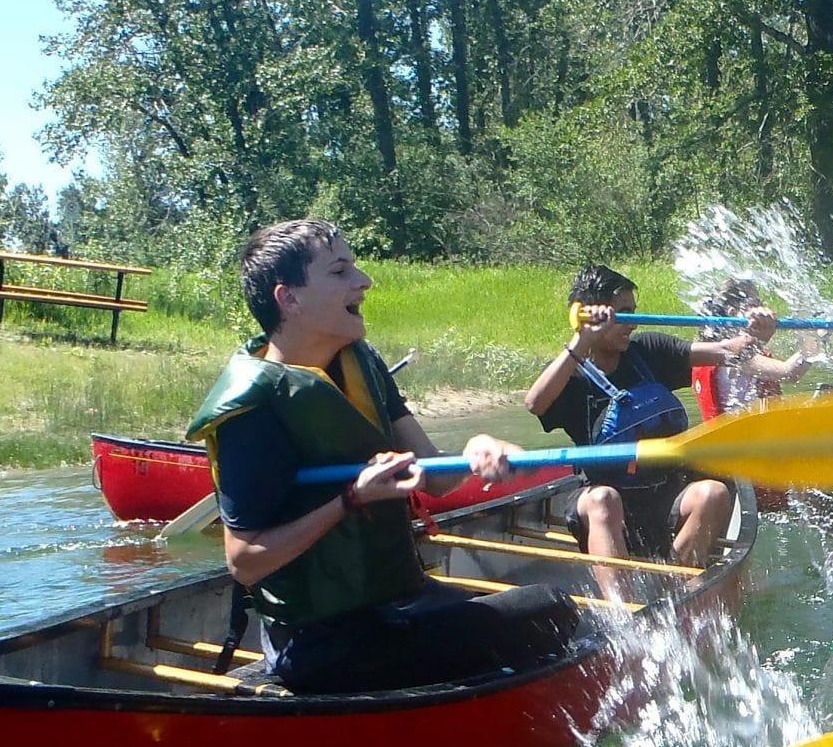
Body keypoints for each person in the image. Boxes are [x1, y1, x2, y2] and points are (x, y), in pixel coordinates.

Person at [187, 219, 580, 696]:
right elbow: (245, 561)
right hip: (320, 641)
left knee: (551, 616)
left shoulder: (362, 363)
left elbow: (433, 477)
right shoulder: (252, 410)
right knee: (550, 608)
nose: (364, 281)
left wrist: (476, 448)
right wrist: (350, 501)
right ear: (288, 298)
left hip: (398, 603)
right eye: (339, 272)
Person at [524, 265, 776, 574]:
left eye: (634, 311)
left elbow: (726, 350)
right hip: (603, 502)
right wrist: (581, 341)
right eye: (623, 313)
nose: (632, 322)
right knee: (604, 499)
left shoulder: (649, 351)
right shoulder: (571, 374)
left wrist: (754, 335)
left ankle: (675, 589)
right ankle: (624, 615)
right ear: (586, 315)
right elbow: (535, 403)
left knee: (713, 493)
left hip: (664, 494)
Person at [692, 276, 818, 418]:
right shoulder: (735, 355)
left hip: (740, 433)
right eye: (756, 303)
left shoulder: (711, 350)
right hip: (747, 436)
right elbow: (790, 373)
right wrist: (822, 334)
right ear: (733, 313)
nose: (763, 306)